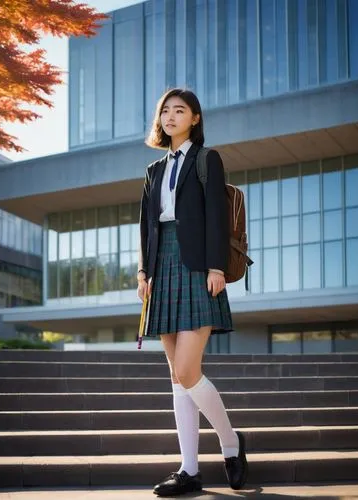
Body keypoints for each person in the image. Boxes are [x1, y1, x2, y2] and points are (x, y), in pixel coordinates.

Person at [137, 88, 248, 497]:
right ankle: (188, 470)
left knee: (188, 370)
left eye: (179, 110)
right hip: (162, 268)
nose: (170, 116)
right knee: (176, 379)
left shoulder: (206, 159)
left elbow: (217, 216)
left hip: (199, 267)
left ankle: (231, 442)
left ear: (195, 118)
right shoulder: (153, 169)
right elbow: (146, 225)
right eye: (165, 110)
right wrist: (143, 271)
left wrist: (217, 265)